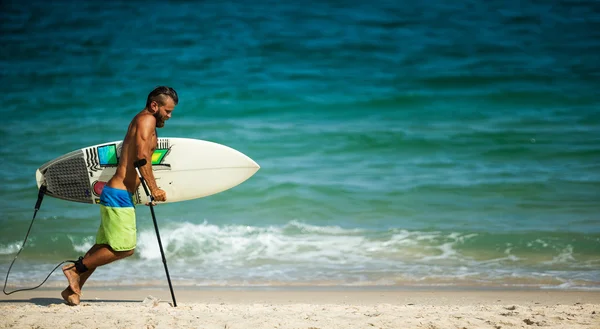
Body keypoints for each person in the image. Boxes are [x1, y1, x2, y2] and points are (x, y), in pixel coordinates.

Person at [61, 86, 178, 306]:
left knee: (102, 247)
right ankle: (74, 269)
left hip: (119, 193)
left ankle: (71, 290)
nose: (169, 116)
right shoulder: (146, 121)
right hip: (118, 195)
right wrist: (154, 189)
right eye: (167, 111)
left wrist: (144, 193)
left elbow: (135, 162)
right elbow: (143, 158)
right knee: (124, 248)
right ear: (155, 105)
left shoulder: (142, 121)